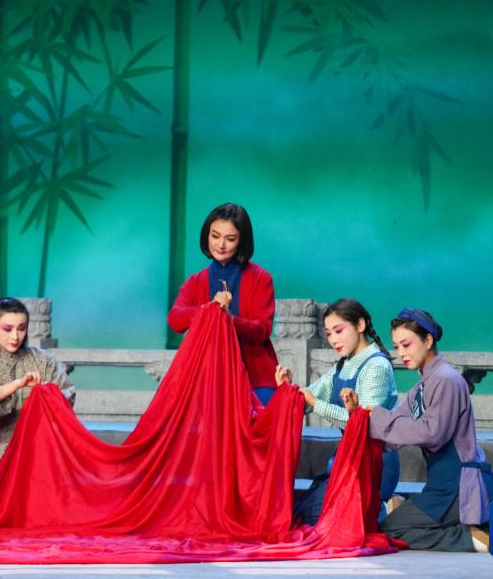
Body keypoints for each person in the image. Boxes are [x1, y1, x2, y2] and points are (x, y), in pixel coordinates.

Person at [342, 308, 493, 552]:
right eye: (397, 347)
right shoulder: (422, 387)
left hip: (460, 485)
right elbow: (393, 429)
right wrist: (360, 415)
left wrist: (378, 419)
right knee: (386, 527)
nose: (401, 353)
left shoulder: (447, 379)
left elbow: (432, 433)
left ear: (428, 340)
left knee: (390, 531)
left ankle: (467, 537)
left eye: (407, 344)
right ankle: (410, 509)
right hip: (443, 485)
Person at [276, 298, 400, 525]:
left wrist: (316, 403)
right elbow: (309, 398)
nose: (333, 339)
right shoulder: (343, 365)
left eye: (339, 331)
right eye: (329, 333)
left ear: (360, 325)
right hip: (347, 458)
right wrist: (288, 390)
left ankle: (384, 509)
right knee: (300, 511)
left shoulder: (377, 366)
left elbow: (363, 424)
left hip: (373, 462)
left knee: (320, 516)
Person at [167, 203, 278, 405]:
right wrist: (209, 309)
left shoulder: (261, 279)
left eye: (230, 239)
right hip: (205, 373)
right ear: (207, 236)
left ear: (242, 241)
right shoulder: (196, 281)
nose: (221, 245)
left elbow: (262, 329)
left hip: (255, 374)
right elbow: (175, 319)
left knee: (264, 411)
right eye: (215, 236)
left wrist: (229, 320)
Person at [0, 297, 76, 488]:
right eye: (7, 329)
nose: (15, 336)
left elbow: (68, 393)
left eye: (21, 328)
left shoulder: (43, 360)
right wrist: (16, 385)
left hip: (38, 462)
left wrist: (46, 391)